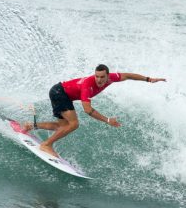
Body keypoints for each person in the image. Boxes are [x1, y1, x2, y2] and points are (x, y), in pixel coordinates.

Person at [22, 64, 166, 157]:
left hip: (60, 92)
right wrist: (108, 120)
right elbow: (87, 110)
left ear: (108, 76)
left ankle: (31, 126)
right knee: (73, 124)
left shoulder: (112, 78)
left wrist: (148, 79)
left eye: (102, 77)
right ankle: (46, 144)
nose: (99, 80)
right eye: (97, 76)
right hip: (60, 93)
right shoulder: (88, 85)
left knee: (62, 126)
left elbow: (128, 76)